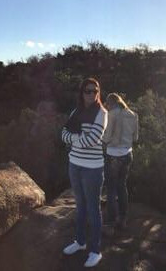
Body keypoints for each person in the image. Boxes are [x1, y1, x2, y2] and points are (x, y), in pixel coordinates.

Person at [60, 78, 108, 268]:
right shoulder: (76, 112)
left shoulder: (102, 113)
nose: (92, 94)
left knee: (93, 209)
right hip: (74, 164)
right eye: (88, 91)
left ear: (98, 92)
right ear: (82, 93)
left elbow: (93, 139)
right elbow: (62, 134)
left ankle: (96, 251)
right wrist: (77, 138)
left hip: (93, 168)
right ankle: (80, 242)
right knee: (80, 206)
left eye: (95, 91)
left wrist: (74, 138)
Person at [102, 93, 139, 229]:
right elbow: (135, 138)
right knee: (122, 186)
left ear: (110, 103)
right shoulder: (133, 115)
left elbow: (107, 137)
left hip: (113, 155)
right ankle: (122, 219)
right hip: (127, 154)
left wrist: (101, 139)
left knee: (111, 190)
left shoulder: (111, 115)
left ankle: (111, 223)